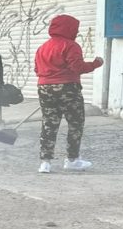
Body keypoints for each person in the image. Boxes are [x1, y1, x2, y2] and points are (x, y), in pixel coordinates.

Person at [34, 14, 102, 173]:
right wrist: (96, 63)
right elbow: (78, 67)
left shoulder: (42, 47)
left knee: (49, 123)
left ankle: (45, 163)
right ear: (69, 29)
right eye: (75, 29)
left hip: (44, 87)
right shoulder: (71, 46)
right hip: (68, 88)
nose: (77, 32)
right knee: (75, 123)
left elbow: (37, 69)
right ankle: (72, 160)